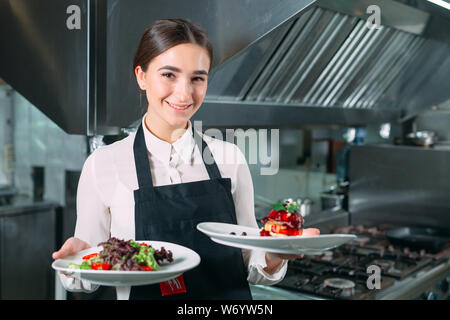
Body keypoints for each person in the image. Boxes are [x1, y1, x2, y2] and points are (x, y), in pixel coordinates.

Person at [52, 18, 320, 300]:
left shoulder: (230, 158)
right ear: (142, 76)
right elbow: (89, 271)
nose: (184, 93)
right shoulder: (103, 164)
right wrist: (73, 263)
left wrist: (275, 255)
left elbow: (249, 258)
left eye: (197, 78)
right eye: (169, 75)